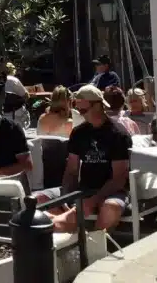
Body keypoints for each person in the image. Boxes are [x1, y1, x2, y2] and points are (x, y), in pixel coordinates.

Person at [37, 84, 133, 233]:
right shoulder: (79, 133)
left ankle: (94, 242)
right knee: (39, 198)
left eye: (83, 110)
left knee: (110, 207)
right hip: (85, 188)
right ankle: (70, 235)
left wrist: (93, 199)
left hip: (113, 190)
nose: (80, 114)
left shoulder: (118, 134)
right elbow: (71, 170)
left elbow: (119, 179)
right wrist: (66, 197)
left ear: (97, 106)